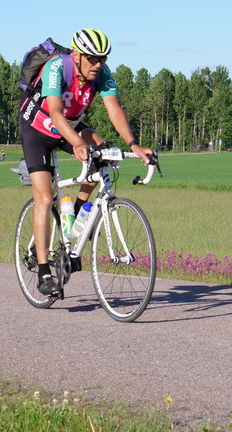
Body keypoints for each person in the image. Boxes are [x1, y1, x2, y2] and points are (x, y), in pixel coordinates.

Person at [19, 28, 153, 296]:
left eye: (103, 58)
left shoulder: (102, 73)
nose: (98, 64)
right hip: (38, 128)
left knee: (104, 154)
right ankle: (44, 272)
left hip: (70, 126)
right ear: (77, 55)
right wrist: (78, 144)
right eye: (92, 58)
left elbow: (114, 109)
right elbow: (55, 112)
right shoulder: (57, 67)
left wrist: (133, 144)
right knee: (44, 197)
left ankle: (78, 217)